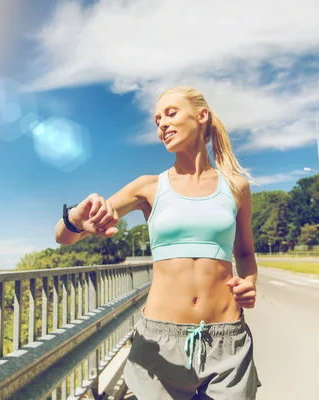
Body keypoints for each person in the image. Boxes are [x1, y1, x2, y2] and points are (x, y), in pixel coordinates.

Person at [55, 86, 261, 399]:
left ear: (201, 115)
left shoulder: (236, 187)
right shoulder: (148, 187)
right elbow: (66, 237)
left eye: (171, 113)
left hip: (227, 342)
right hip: (159, 346)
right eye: (156, 121)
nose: (161, 124)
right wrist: (75, 218)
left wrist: (249, 283)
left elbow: (245, 252)